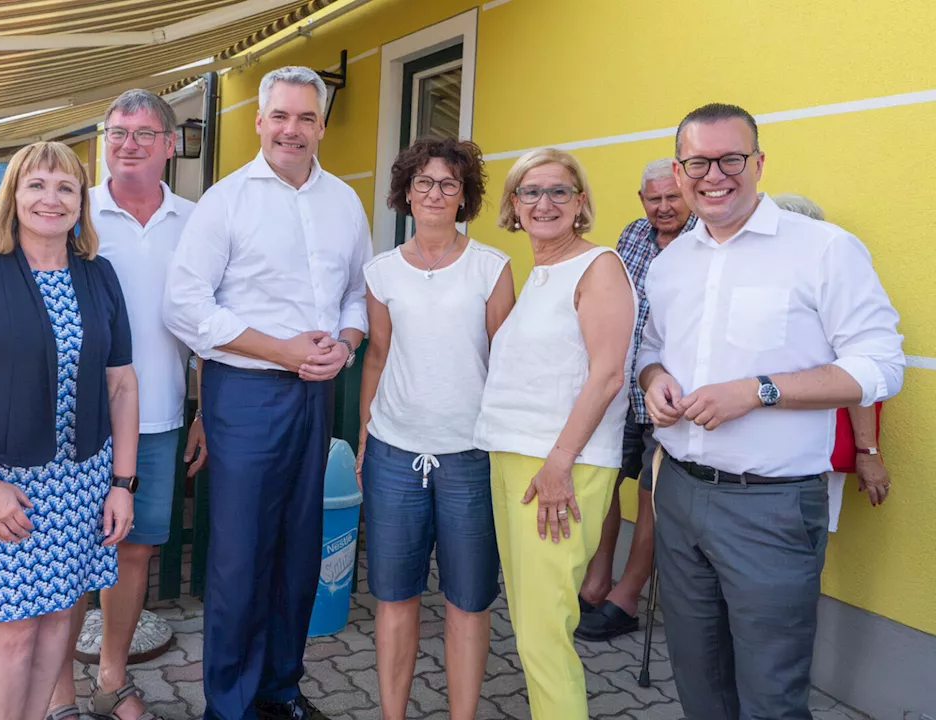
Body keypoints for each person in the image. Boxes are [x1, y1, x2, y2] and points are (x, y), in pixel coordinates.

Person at [638, 104, 904, 719]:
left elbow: (880, 366)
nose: (715, 175)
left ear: (758, 163)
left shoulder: (824, 249)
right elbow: (652, 349)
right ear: (680, 172)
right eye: (698, 162)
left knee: (771, 697)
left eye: (732, 158)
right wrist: (653, 380)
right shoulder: (671, 262)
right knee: (699, 682)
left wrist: (758, 390)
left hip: (772, 506)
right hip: (678, 495)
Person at [163, 65, 372, 720]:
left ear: (321, 125)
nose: (293, 129)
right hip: (247, 393)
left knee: (298, 550)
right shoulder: (225, 201)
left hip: (316, 395)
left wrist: (346, 339)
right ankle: (229, 706)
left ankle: (281, 691)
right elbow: (183, 306)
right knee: (239, 557)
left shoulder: (344, 201)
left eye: (306, 117)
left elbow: (358, 294)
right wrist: (279, 349)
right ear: (259, 121)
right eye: (280, 116)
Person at [0, 141, 138, 720]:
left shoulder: (99, 276)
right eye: (36, 185)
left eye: (66, 187)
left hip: (82, 484)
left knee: (56, 625)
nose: (51, 198)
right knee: (14, 632)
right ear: (13, 196)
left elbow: (121, 385)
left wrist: (123, 483)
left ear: (81, 203)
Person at [48, 88, 207, 720]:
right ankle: (58, 692)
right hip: (71, 422)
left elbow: (211, 327)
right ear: (101, 142)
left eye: (144, 134)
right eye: (117, 132)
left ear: (170, 145)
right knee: (63, 555)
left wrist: (202, 411)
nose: (129, 144)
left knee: (133, 550)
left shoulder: (197, 220)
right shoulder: (70, 212)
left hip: (161, 413)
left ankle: (111, 679)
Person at [472, 148, 635, 719]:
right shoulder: (542, 273)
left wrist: (560, 461)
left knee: (543, 633)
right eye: (530, 192)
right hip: (515, 457)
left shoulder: (600, 267)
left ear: (580, 201)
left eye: (559, 191)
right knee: (532, 624)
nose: (544, 203)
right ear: (513, 206)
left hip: (562, 465)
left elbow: (608, 373)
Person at [356, 136, 514, 720]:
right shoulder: (381, 272)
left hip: (470, 454)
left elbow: (505, 364)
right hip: (396, 451)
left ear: (464, 196)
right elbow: (377, 355)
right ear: (406, 192)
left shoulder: (492, 269)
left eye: (449, 183)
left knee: (468, 602)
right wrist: (368, 431)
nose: (435, 193)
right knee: (395, 598)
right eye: (423, 182)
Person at [576, 158, 696, 641]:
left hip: (671, 393)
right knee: (604, 477)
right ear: (642, 200)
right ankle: (597, 577)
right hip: (621, 383)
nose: (664, 207)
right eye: (655, 199)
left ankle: (627, 595)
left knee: (651, 492)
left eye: (672, 197)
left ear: (687, 193)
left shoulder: (705, 243)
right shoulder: (631, 236)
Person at [769, 193, 891, 528]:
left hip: (812, 452)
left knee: (798, 546)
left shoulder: (832, 287)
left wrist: (867, 452)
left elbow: (858, 370)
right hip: (751, 455)